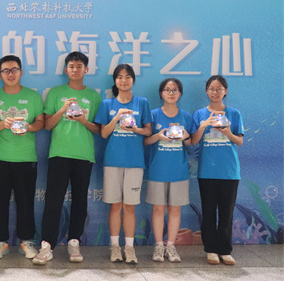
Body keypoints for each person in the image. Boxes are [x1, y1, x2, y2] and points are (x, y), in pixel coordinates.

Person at [32, 51, 101, 265]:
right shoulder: (55, 93)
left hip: (84, 154)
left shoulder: (94, 96)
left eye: (79, 66)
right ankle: (47, 246)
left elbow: (98, 129)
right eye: (71, 66)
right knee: (53, 200)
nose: (75, 70)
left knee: (80, 200)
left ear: (86, 69)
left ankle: (74, 242)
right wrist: (62, 109)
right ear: (66, 70)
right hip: (59, 153)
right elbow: (48, 125)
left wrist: (83, 120)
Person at [0, 55, 44, 260]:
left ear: (21, 72)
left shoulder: (33, 96)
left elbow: (41, 123)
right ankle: (1, 242)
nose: (10, 74)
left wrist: (29, 127)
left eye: (14, 70)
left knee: (25, 202)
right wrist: (2, 124)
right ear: (0, 74)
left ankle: (26, 241)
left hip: (25, 158)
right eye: (6, 70)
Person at [94, 64, 151, 264]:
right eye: (120, 77)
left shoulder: (142, 102)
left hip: (135, 161)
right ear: (115, 81)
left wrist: (135, 129)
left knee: (129, 207)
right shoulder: (107, 104)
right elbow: (103, 133)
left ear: (133, 80)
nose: (124, 80)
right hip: (113, 161)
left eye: (127, 77)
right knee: (115, 206)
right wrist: (117, 117)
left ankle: (129, 248)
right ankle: (115, 247)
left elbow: (148, 131)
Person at [191, 75, 244, 266]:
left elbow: (239, 141)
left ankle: (225, 250)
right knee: (208, 212)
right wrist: (203, 126)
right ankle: (211, 250)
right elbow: (193, 141)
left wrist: (227, 132)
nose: (215, 92)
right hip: (207, 171)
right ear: (206, 91)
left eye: (219, 89)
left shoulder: (234, 114)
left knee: (226, 213)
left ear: (225, 91)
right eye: (212, 89)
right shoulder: (199, 114)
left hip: (229, 171)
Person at [144, 78, 193, 263]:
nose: (171, 93)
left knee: (175, 209)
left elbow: (190, 144)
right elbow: (145, 141)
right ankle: (159, 246)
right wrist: (158, 135)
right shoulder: (153, 115)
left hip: (179, 171)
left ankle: (171, 246)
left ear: (180, 93)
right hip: (157, 170)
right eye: (167, 90)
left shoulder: (186, 116)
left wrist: (186, 137)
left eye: (175, 90)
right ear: (161, 93)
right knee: (158, 209)